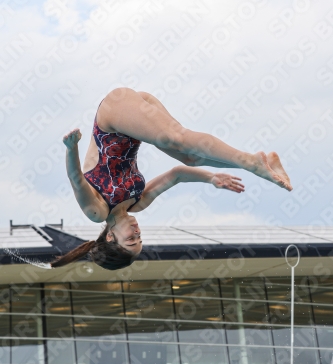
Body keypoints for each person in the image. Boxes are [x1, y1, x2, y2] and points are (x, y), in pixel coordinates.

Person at [51, 88, 292, 271]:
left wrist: (71, 147)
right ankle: (257, 163)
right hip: (134, 121)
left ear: (111, 236)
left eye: (131, 239)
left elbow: (76, 179)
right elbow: (177, 175)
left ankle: (251, 163)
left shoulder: (98, 212)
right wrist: (211, 178)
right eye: (139, 238)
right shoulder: (137, 203)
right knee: (190, 157)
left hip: (113, 116)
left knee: (174, 139)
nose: (137, 232)